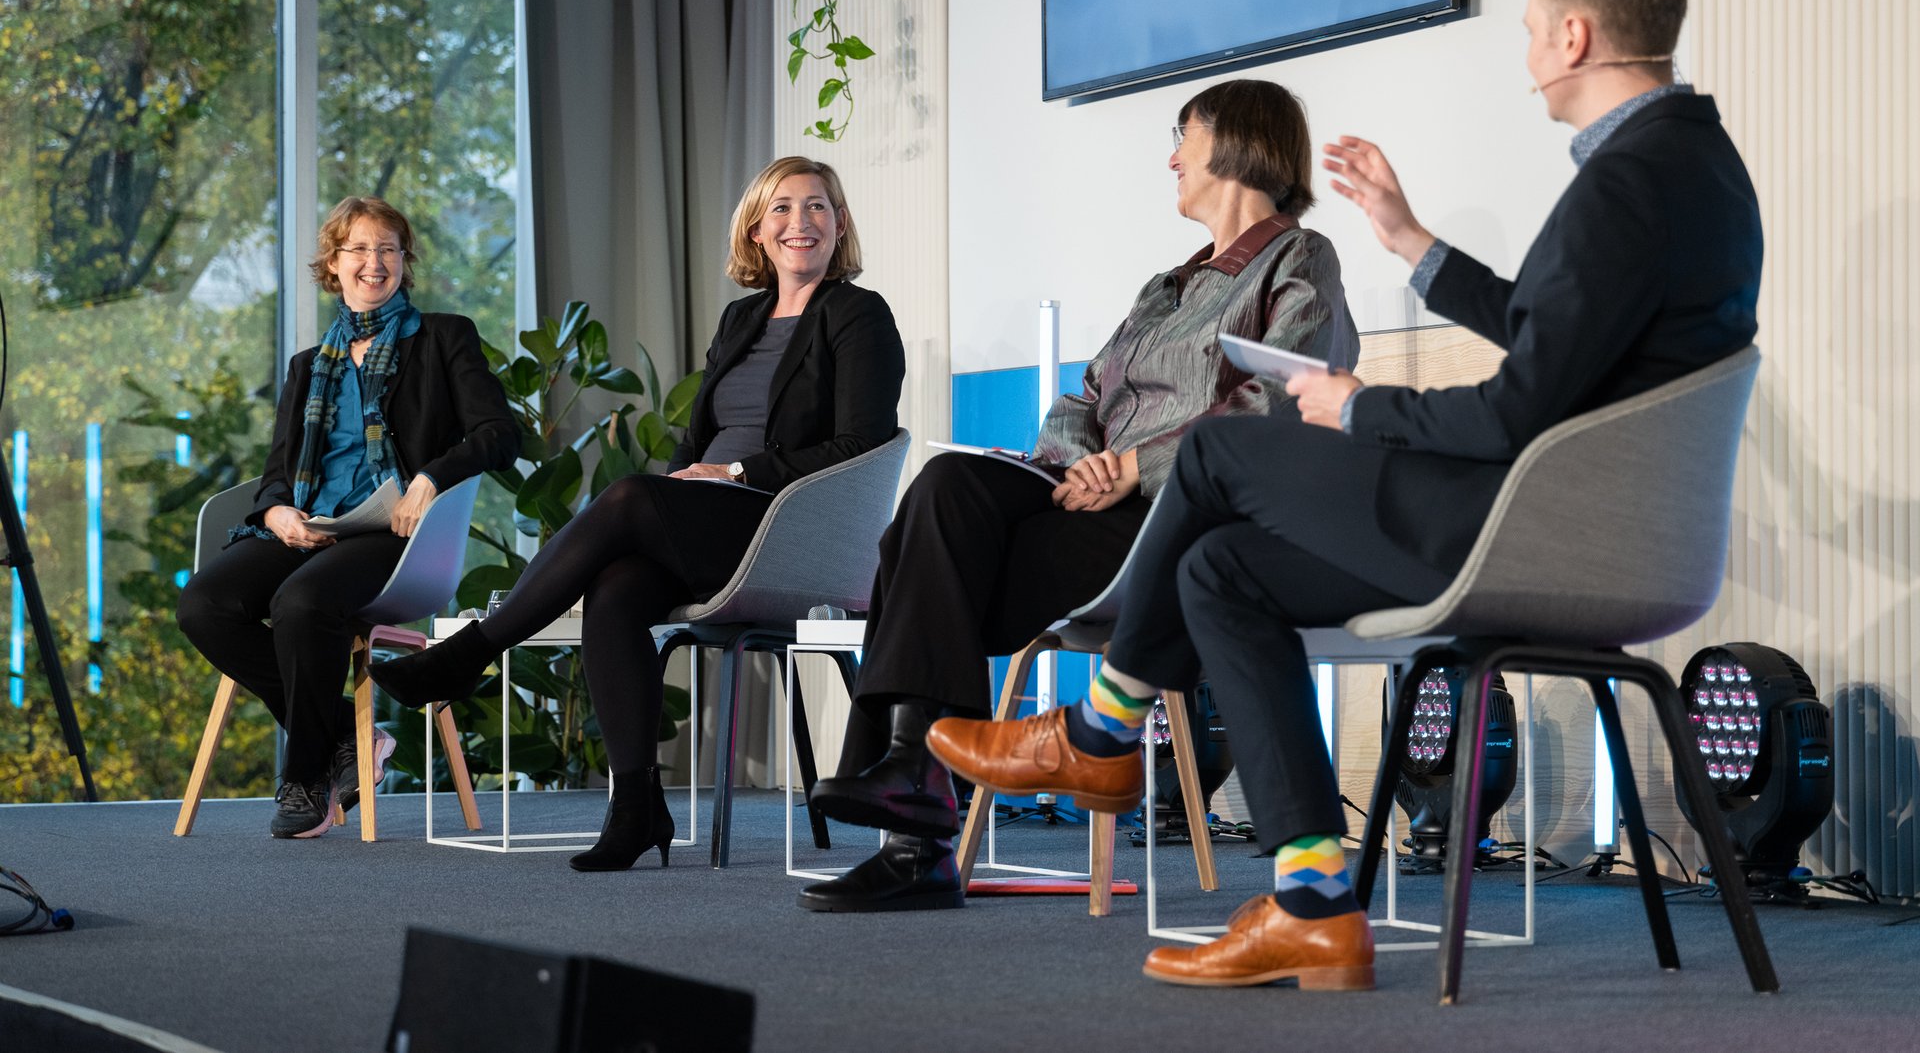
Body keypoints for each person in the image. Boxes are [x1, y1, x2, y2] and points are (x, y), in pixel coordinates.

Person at [928, 0, 1764, 988]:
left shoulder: (1625, 182)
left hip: (1523, 533)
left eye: (1526, 31)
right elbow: (1563, 339)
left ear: (1573, 37)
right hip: (1594, 534)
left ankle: (1103, 723)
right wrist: (1413, 242)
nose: (1522, 57)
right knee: (1215, 569)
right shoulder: (1690, 166)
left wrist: (1358, 404)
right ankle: (1314, 896)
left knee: (1220, 459)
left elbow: (1515, 412)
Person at [799, 78, 1360, 914]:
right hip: (1088, 500)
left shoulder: (1299, 259)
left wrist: (1133, 470)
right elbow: (1078, 402)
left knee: (928, 554)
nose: (1171, 157)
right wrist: (1080, 467)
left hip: (1175, 519)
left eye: (1185, 137)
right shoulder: (1161, 288)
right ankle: (913, 782)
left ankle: (917, 815)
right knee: (946, 490)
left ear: (1238, 144)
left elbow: (1276, 403)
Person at [370, 156, 905, 872]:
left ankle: (475, 651)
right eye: (780, 208)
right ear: (755, 227)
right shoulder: (742, 317)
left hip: (790, 528)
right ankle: (636, 806)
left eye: (816, 207)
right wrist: (700, 474)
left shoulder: (856, 314)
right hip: (713, 519)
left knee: (626, 497)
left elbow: (862, 443)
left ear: (839, 226)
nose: (798, 223)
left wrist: (739, 471)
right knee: (617, 586)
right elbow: (697, 442)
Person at [177, 196, 518, 840]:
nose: (374, 262)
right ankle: (342, 733)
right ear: (332, 265)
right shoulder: (310, 366)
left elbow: (500, 434)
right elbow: (278, 470)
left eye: (387, 249)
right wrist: (277, 512)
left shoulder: (444, 338)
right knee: (204, 604)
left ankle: (306, 777)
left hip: (397, 538)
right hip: (312, 529)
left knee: (302, 602)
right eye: (358, 249)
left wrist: (431, 477)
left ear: (404, 263)